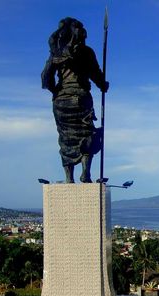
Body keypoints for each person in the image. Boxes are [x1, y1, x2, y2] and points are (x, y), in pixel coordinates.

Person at [41, 17, 109, 183]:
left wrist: (55, 90)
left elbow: (45, 78)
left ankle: (68, 178)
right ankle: (86, 174)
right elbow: (96, 73)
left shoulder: (56, 53)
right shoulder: (86, 52)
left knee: (65, 138)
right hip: (80, 97)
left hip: (61, 102)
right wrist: (103, 85)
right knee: (87, 134)